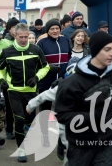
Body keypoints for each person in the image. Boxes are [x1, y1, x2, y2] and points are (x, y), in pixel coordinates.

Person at [55, 31, 112, 166]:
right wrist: (91, 116)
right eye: (107, 49)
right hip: (80, 145)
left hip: (108, 144)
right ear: (95, 50)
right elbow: (62, 115)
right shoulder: (72, 83)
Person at [0, 23, 50, 162]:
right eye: (21, 37)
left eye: (26, 37)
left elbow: (45, 67)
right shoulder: (7, 52)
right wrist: (1, 79)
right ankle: (21, 149)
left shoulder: (36, 50)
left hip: (31, 92)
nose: (24, 40)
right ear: (15, 36)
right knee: (19, 120)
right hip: (14, 91)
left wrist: (37, 77)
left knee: (30, 122)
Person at [36, 19, 71, 147]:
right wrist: (49, 66)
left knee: (62, 111)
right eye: (52, 29)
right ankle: (45, 136)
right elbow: (37, 61)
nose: (55, 31)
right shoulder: (42, 42)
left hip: (62, 81)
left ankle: (61, 138)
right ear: (47, 30)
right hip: (46, 81)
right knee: (45, 110)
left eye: (57, 28)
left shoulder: (65, 40)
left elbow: (70, 58)